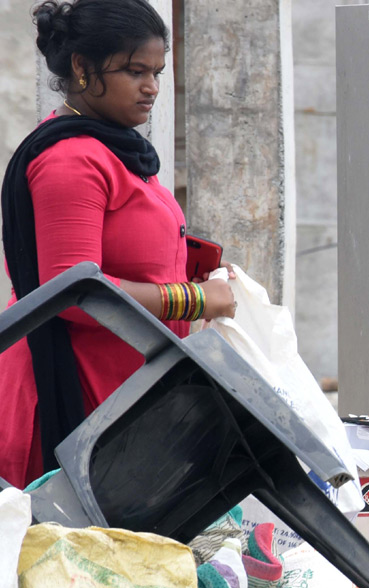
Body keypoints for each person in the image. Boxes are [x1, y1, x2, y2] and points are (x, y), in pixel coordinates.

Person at [0, 0, 236, 488]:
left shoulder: (117, 151)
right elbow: (75, 293)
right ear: (83, 68)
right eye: (134, 70)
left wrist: (195, 270)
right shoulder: (72, 161)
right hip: (71, 393)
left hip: (127, 395)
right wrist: (193, 299)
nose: (151, 87)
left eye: (156, 71)